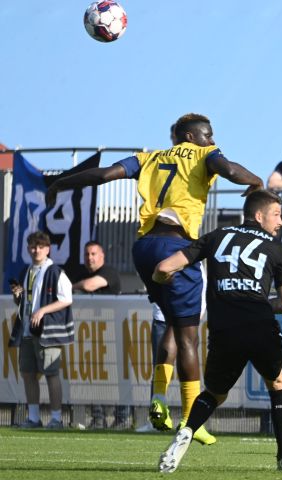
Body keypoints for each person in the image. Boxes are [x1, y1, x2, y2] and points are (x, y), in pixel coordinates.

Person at [46, 113, 263, 444]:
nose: (214, 141)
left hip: (144, 248)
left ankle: (159, 398)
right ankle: (193, 421)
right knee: (190, 337)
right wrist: (256, 181)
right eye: (209, 135)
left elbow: (104, 175)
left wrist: (61, 182)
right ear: (190, 137)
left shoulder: (147, 158)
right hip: (176, 248)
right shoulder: (205, 154)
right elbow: (231, 170)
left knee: (173, 326)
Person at [154, 189, 282, 472]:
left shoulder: (216, 236)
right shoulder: (276, 247)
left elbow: (164, 267)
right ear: (259, 215)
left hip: (224, 327)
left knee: (214, 394)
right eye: (277, 214)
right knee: (277, 383)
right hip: (259, 323)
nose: (280, 221)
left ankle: (187, 431)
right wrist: (257, 299)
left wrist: (163, 283)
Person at [8, 231, 74, 429]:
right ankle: (34, 418)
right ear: (28, 249)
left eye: (40, 247)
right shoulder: (26, 271)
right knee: (28, 373)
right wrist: (17, 296)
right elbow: (24, 303)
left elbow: (66, 298)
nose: (36, 250)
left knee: (51, 373)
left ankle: (56, 419)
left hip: (47, 331)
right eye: (33, 247)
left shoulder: (55, 271)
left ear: (48, 249)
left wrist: (42, 311)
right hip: (27, 329)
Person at [71, 241, 126, 429]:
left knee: (116, 377)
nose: (90, 257)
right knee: (93, 377)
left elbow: (89, 286)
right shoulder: (79, 273)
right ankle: (98, 418)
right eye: (87, 254)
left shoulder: (109, 272)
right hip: (89, 335)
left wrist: (72, 287)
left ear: (102, 255)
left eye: (93, 253)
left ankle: (122, 419)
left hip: (112, 333)